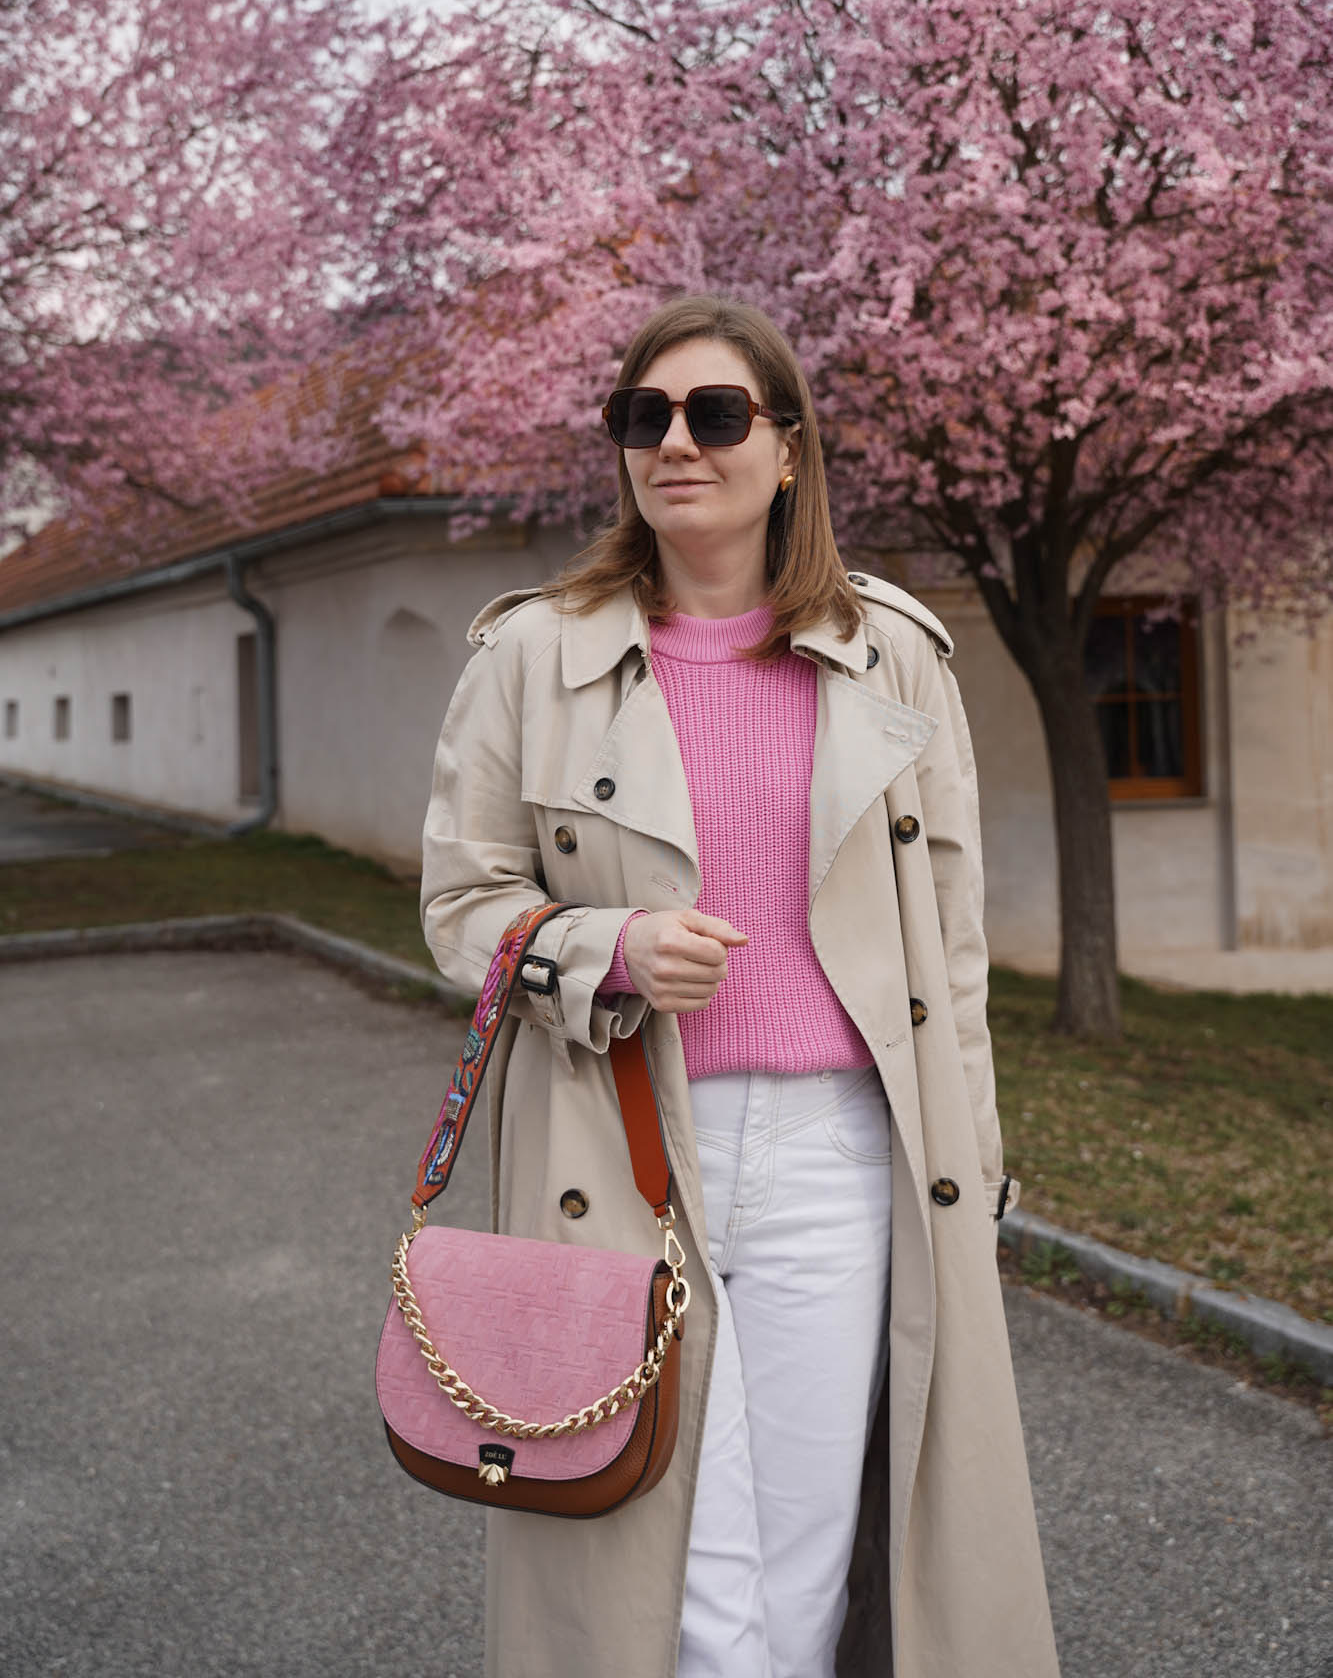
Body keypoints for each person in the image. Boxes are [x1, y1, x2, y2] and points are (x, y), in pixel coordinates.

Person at [420, 296, 1060, 1678]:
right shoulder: (532, 655)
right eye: (640, 418)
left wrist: (975, 1174)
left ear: (787, 450)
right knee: (665, 1536)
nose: (674, 444)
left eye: (715, 415)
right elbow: (458, 906)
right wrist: (608, 951)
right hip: (630, 1144)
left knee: (811, 1545)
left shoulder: (892, 650)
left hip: (840, 1148)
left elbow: (950, 958)